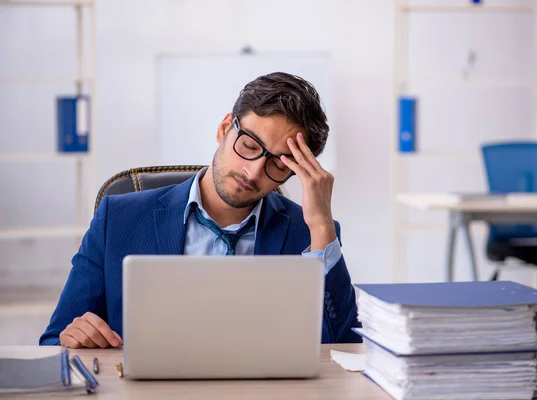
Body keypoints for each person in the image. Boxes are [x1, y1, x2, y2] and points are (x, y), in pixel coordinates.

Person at [40, 72, 362, 347]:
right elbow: (54, 342)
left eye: (278, 165)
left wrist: (321, 226)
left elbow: (345, 350)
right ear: (224, 128)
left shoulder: (309, 234)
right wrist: (75, 339)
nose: (252, 172)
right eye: (249, 146)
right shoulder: (117, 218)